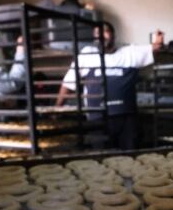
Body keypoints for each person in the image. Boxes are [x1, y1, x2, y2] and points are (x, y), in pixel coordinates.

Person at [56, 22, 164, 150]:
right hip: (97, 118)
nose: (101, 36)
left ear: (113, 35)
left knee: (130, 157)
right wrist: (57, 107)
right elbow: (68, 82)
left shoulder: (130, 52)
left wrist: (159, 39)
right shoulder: (87, 54)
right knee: (101, 159)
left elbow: (156, 48)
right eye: (97, 33)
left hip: (127, 118)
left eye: (105, 31)